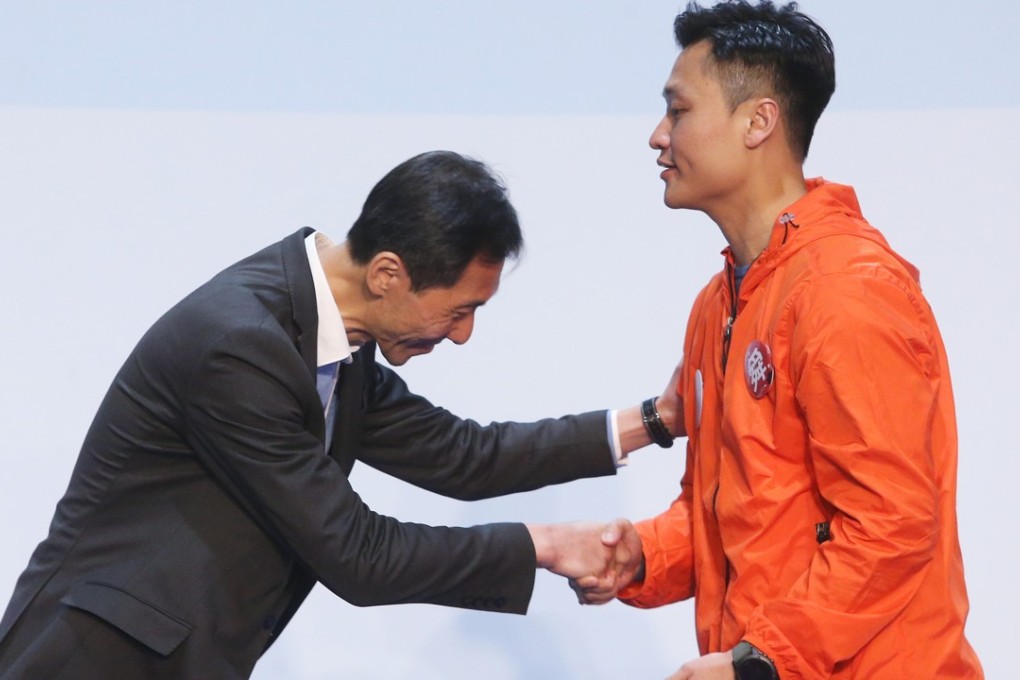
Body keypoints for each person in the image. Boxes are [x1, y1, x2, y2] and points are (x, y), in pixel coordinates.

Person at [0, 150, 677, 679]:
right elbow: (358, 556)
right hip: (93, 661)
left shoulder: (334, 345)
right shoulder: (239, 347)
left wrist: (656, 420)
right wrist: (545, 544)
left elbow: (465, 456)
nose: (464, 334)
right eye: (460, 310)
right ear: (387, 274)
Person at [577, 2, 984, 678]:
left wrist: (758, 660)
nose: (657, 135)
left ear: (758, 121)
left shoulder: (847, 289)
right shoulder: (718, 304)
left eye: (677, 111)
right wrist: (638, 555)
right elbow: (727, 512)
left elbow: (891, 525)